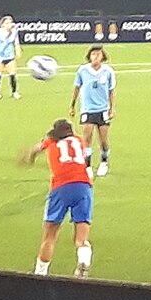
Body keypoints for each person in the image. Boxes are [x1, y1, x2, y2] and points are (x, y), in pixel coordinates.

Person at [22, 118, 93, 278]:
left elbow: (35, 149)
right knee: (81, 238)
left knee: (50, 235)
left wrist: (29, 159)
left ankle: (40, 273)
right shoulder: (79, 140)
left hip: (61, 187)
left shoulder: (50, 143)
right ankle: (83, 261)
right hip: (83, 186)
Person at [68, 44, 115, 178]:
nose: (96, 57)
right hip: (87, 109)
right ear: (89, 57)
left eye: (98, 54)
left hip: (103, 109)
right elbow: (76, 88)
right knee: (87, 138)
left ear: (102, 57)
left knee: (104, 140)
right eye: (93, 54)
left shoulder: (108, 71)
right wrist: (72, 105)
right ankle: (87, 166)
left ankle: (104, 163)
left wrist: (112, 108)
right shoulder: (82, 71)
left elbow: (111, 91)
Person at [0, 15, 21, 100]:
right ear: (2, 24)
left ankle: (14, 92)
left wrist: (18, 51)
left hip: (10, 56)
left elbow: (16, 43)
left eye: (10, 22)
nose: (9, 24)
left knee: (12, 74)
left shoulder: (14, 32)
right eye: (6, 23)